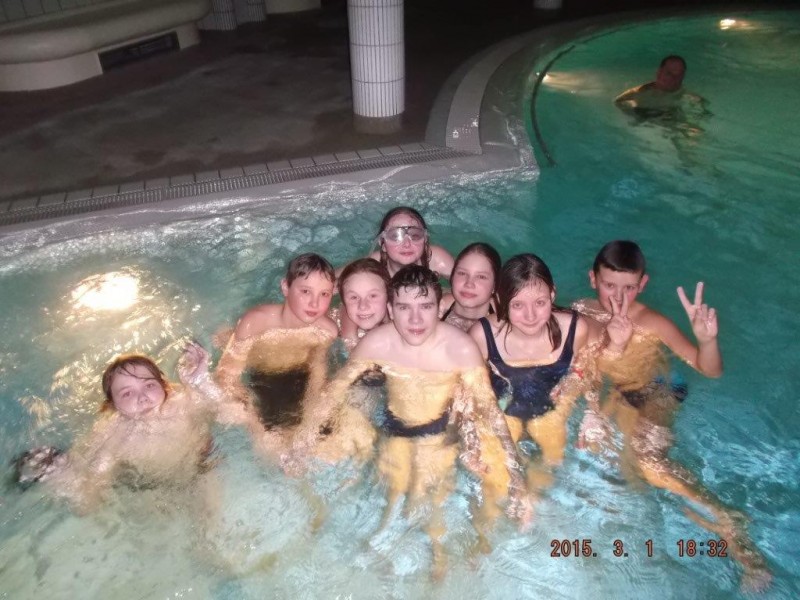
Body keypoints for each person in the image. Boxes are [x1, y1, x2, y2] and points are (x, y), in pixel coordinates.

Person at [295, 265, 530, 578]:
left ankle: (444, 563)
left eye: (425, 307)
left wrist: (517, 480)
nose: (415, 320)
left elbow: (489, 411)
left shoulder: (460, 348)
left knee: (434, 506)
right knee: (391, 497)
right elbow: (334, 391)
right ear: (391, 310)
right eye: (404, 308)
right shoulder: (377, 344)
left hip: (440, 434)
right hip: (395, 430)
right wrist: (303, 440)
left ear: (439, 308)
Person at [572, 240, 771, 592]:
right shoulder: (582, 310)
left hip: (659, 390)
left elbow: (709, 370)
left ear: (642, 285)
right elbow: (586, 366)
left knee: (650, 462)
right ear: (592, 279)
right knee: (592, 448)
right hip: (620, 389)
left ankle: (727, 520)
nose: (618, 297)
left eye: (628, 288)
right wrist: (592, 410)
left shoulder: (653, 323)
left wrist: (707, 341)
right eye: (609, 285)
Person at [18, 343, 246, 512]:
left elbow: (236, 416)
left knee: (210, 522)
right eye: (127, 393)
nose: (143, 397)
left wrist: (202, 383)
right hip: (151, 486)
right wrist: (67, 478)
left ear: (164, 386)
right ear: (112, 405)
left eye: (149, 385)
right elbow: (88, 502)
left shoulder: (183, 400)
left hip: (201, 467)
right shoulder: (112, 436)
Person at [468, 254, 598, 504]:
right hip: (503, 414)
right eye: (517, 305)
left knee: (551, 469)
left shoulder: (574, 329)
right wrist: (471, 438)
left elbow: (587, 371)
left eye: (540, 302)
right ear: (499, 301)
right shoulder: (483, 335)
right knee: (495, 486)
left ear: (552, 295)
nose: (530, 315)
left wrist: (592, 411)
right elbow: (470, 391)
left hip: (551, 413)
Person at [215, 253, 338, 460]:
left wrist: (310, 421)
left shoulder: (326, 331)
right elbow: (226, 376)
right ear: (285, 287)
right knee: (271, 450)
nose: (314, 303)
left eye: (324, 294)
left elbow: (318, 376)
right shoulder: (255, 323)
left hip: (299, 375)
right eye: (305, 291)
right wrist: (255, 426)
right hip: (262, 376)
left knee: (328, 443)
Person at [368, 207, 455, 280]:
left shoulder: (437, 260)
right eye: (396, 236)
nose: (407, 244)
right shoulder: (373, 267)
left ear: (425, 240)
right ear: (383, 244)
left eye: (415, 235)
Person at [615, 55, 708, 122]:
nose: (673, 79)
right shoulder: (638, 92)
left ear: (683, 76)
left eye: (678, 75)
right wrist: (638, 112)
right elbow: (618, 103)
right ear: (659, 72)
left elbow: (701, 120)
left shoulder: (691, 100)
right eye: (669, 73)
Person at [439, 242, 501, 332]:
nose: (469, 283)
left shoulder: (504, 317)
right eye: (462, 273)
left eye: (481, 277)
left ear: (495, 285)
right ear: (452, 277)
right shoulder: (438, 307)